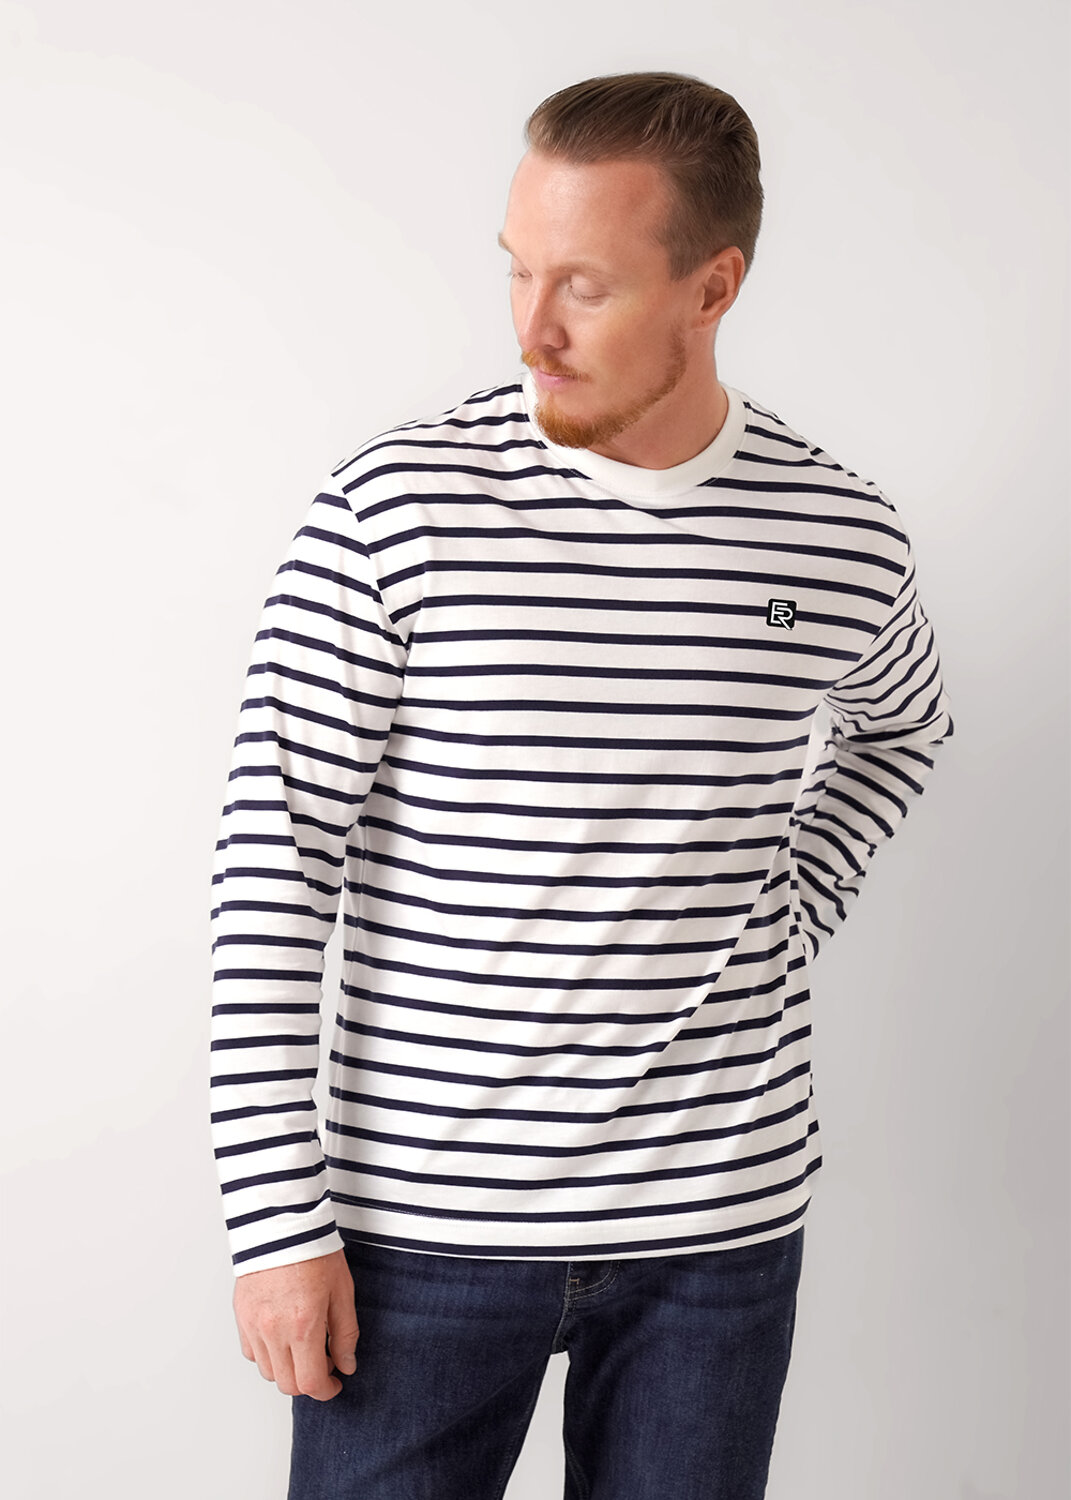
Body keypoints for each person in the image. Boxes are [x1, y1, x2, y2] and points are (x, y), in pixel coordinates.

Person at [210, 72, 953, 1500]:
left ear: (712, 286)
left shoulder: (835, 534)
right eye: (518, 269)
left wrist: (786, 909)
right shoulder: (396, 510)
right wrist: (275, 1224)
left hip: (718, 1234)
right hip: (420, 1233)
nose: (531, 326)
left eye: (585, 286)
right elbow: (273, 868)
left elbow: (901, 730)